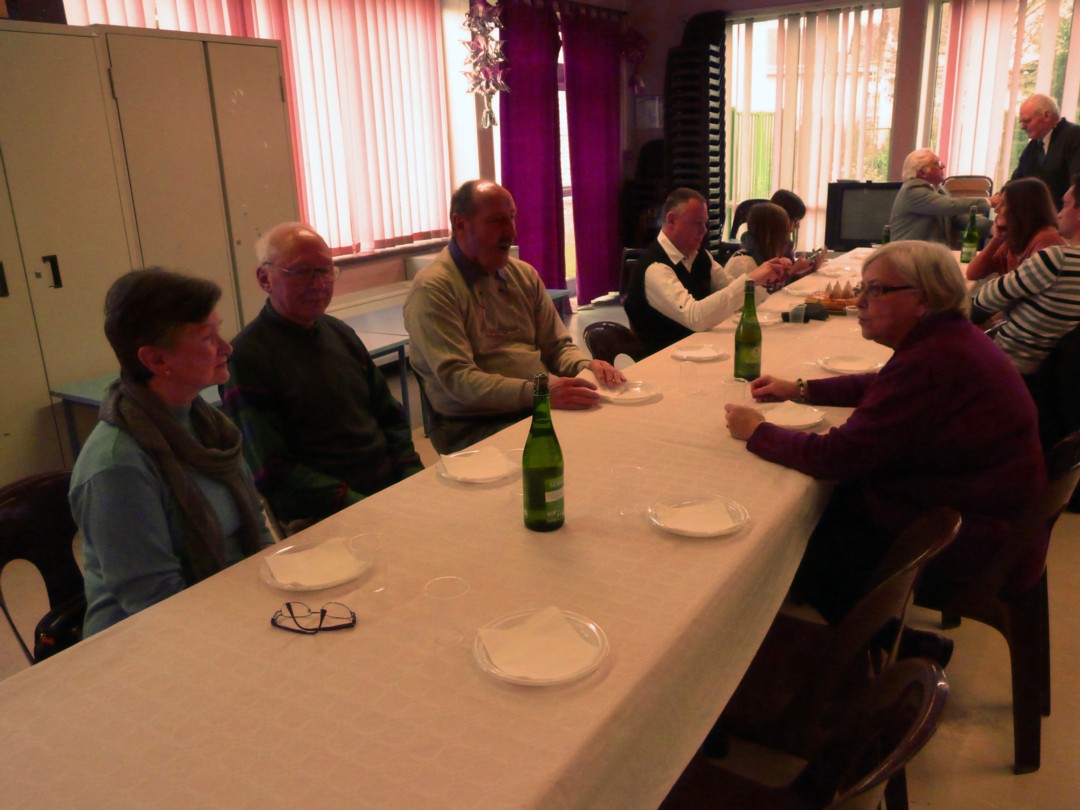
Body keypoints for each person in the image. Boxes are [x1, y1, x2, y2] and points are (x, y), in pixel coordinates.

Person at [724, 241, 1045, 624]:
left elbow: (836, 457)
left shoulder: (933, 360)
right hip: (976, 514)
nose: (860, 301)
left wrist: (758, 430)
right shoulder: (945, 339)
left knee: (779, 541)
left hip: (969, 543)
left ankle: (848, 645)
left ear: (922, 300)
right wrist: (800, 389)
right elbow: (882, 384)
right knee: (815, 511)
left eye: (876, 290)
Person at [70, 270, 273, 637]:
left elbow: (257, 529)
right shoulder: (117, 466)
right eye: (208, 338)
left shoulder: (208, 426)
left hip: (232, 608)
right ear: (156, 360)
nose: (227, 347)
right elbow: (155, 603)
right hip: (148, 642)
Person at [221, 222, 422, 527]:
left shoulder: (340, 333)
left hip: (387, 493)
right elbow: (274, 471)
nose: (318, 284)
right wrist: (362, 506)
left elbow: (390, 416)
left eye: (325, 270)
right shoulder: (246, 358)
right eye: (301, 271)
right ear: (264, 279)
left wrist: (411, 474)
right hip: (326, 513)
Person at [404, 180, 625, 454]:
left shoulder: (523, 275)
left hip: (536, 404)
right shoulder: (434, 289)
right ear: (460, 224)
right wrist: (541, 392)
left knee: (616, 430)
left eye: (512, 218)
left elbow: (558, 348)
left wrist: (586, 367)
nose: (511, 231)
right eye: (496, 221)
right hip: (476, 426)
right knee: (583, 450)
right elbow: (460, 381)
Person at [623, 188, 786, 356]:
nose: (704, 230)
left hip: (701, 350)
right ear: (671, 220)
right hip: (664, 360)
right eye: (696, 223)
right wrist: (751, 280)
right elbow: (695, 318)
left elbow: (738, 297)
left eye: (705, 223)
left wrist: (768, 281)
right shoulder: (655, 267)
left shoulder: (700, 256)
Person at [973, 174, 1080, 380]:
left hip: (1011, 366)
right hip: (1047, 371)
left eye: (1065, 205)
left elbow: (984, 299)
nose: (1059, 214)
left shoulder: (1057, 258)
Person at [966, 177, 1064, 281]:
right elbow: (972, 274)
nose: (996, 209)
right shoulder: (1013, 238)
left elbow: (1031, 283)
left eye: (1003, 204)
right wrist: (996, 239)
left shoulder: (1046, 238)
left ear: (1022, 208)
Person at [888, 148, 990, 244]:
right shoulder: (912, 190)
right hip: (908, 254)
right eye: (937, 163)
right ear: (922, 172)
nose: (943, 166)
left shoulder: (941, 190)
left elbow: (957, 217)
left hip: (931, 253)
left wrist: (994, 228)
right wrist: (989, 201)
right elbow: (951, 205)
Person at [728, 201, 824, 286]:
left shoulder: (762, 253)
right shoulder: (744, 263)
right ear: (770, 235)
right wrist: (792, 271)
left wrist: (807, 270)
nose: (786, 241)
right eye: (784, 234)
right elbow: (763, 295)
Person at [1010, 94, 1080, 208]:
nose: (1022, 127)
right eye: (1021, 122)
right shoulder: (1034, 146)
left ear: (1047, 115)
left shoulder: (1075, 136)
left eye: (1027, 121)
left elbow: (1077, 187)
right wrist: (989, 201)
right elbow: (1016, 181)